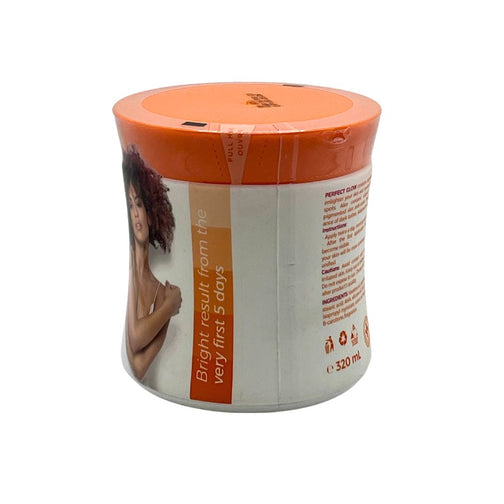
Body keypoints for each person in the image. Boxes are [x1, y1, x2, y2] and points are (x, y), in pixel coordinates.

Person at [122, 146, 182, 380]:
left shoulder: (159, 290)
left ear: (150, 211)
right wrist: (169, 307)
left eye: (139, 204)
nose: (136, 213)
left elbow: (139, 367)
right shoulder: (133, 267)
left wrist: (165, 309)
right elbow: (135, 338)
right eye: (130, 205)